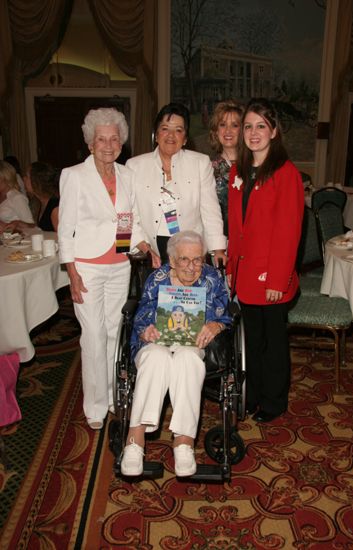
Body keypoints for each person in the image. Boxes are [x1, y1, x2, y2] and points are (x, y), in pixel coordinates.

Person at [58, 107, 147, 431]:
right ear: (90, 143)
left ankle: (112, 395)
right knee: (93, 335)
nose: (108, 145)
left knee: (113, 333)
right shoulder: (74, 176)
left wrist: (142, 244)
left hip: (118, 266)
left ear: (121, 142)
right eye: (101, 139)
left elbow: (127, 220)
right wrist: (72, 271)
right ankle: (94, 405)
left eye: (114, 139)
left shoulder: (127, 175)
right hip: (88, 268)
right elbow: (65, 228)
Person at [121, 230, 232, 477]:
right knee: (155, 358)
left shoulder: (212, 278)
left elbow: (227, 312)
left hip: (192, 344)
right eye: (184, 260)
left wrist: (216, 325)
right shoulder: (157, 278)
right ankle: (135, 440)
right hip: (156, 342)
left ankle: (183, 442)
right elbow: (140, 315)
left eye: (197, 260)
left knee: (188, 359)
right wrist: (144, 331)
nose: (192, 268)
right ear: (172, 260)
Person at [226, 98, 304, 423]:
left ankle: (273, 402)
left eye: (261, 126)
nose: (253, 132)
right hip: (244, 273)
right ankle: (252, 396)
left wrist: (276, 280)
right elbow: (235, 227)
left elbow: (289, 232)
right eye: (248, 126)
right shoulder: (238, 171)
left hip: (271, 278)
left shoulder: (286, 174)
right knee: (250, 342)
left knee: (273, 346)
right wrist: (231, 270)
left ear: (273, 131)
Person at [126, 102, 226, 266]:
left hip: (190, 252)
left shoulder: (200, 163)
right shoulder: (134, 166)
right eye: (165, 129)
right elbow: (129, 213)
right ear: (156, 135)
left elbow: (211, 211)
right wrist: (142, 246)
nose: (171, 135)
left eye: (178, 130)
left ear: (185, 138)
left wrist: (218, 250)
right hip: (151, 251)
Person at [209, 101, 244, 236]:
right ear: (216, 131)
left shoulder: (254, 166)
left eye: (234, 125)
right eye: (222, 125)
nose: (228, 131)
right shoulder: (206, 168)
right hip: (217, 240)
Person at [0, 160, 35, 233]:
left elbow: (32, 227)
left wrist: (13, 224)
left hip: (16, 241)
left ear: (6, 178)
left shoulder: (17, 197)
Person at [24, 162, 60, 231]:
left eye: (26, 176)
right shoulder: (39, 201)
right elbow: (43, 228)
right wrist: (21, 224)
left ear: (36, 180)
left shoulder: (55, 207)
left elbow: (64, 238)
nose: (23, 179)